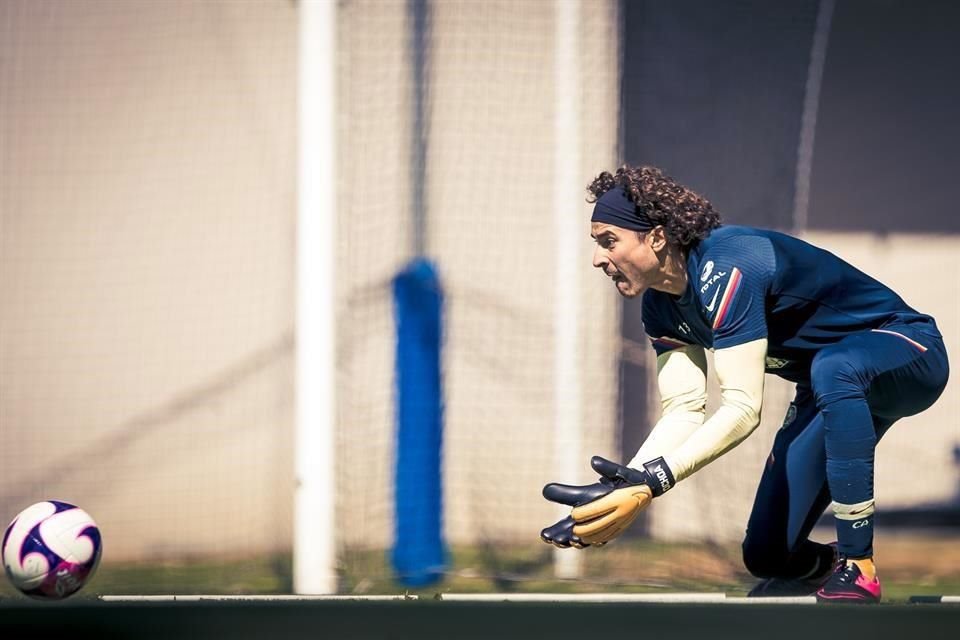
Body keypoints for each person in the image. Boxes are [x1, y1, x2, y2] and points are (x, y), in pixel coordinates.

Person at [540, 165, 950, 603]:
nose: (598, 258)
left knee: (832, 367)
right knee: (767, 554)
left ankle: (858, 565)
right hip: (830, 388)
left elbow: (741, 409)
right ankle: (826, 567)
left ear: (656, 238)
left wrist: (654, 483)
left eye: (608, 241)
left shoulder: (729, 263)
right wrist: (630, 484)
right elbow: (683, 411)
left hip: (910, 352)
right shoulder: (660, 308)